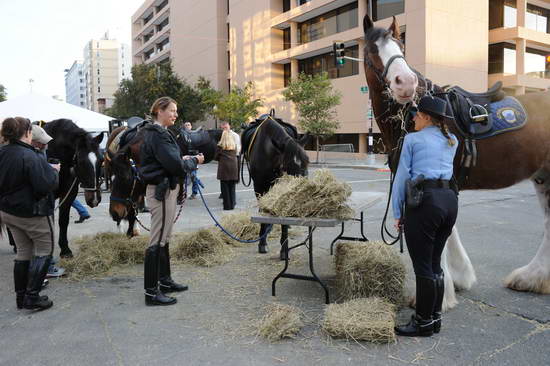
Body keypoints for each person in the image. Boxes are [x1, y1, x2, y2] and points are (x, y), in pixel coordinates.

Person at [392, 96, 459, 337]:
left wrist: (397, 212)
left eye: (417, 115)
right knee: (434, 264)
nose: (414, 119)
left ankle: (422, 322)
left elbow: (402, 177)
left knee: (422, 266)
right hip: (449, 201)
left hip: (425, 202)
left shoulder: (412, 140)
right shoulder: (452, 140)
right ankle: (434, 318)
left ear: (427, 117)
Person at [140, 97, 204, 306]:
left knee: (164, 237)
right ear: (160, 110)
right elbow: (174, 166)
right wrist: (194, 161)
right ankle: (151, 292)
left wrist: (182, 160)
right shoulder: (158, 135)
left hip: (165, 188)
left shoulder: (159, 133)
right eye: (172, 111)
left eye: (176, 111)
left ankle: (164, 282)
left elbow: (170, 161)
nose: (176, 115)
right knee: (157, 239)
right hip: (162, 190)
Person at [0, 117, 59, 311]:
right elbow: (44, 186)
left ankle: (21, 297)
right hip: (31, 212)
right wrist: (54, 172)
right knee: (45, 251)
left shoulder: (2, 152)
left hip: (8, 211)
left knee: (24, 251)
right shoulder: (30, 156)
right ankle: (32, 296)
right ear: (27, 133)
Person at [30, 124, 66, 279]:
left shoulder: (13, 152)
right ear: (33, 141)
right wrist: (54, 171)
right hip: (39, 206)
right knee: (45, 242)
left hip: (21, 207)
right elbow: (46, 184)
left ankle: (32, 277)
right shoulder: (34, 156)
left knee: (26, 248)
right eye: (42, 142)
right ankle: (44, 272)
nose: (45, 145)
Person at [215, 130, 238, 210]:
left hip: (224, 169)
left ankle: (227, 206)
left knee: (224, 188)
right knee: (232, 187)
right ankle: (232, 204)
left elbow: (216, 157)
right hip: (233, 168)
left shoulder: (220, 146)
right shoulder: (234, 145)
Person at [219, 121, 241, 199]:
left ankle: (231, 198)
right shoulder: (222, 135)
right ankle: (225, 194)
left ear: (229, 126)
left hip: (234, 157)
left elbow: (238, 148)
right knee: (225, 178)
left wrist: (230, 155)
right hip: (226, 159)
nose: (224, 128)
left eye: (226, 126)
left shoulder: (235, 135)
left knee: (232, 180)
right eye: (223, 127)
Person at [183, 121, 204, 199]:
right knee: (184, 179)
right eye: (186, 125)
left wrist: (199, 156)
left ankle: (194, 193)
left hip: (194, 159)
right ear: (184, 127)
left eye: (189, 125)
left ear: (191, 126)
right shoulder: (182, 136)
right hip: (185, 159)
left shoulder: (195, 136)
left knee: (193, 177)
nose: (187, 126)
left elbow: (199, 146)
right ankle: (183, 194)